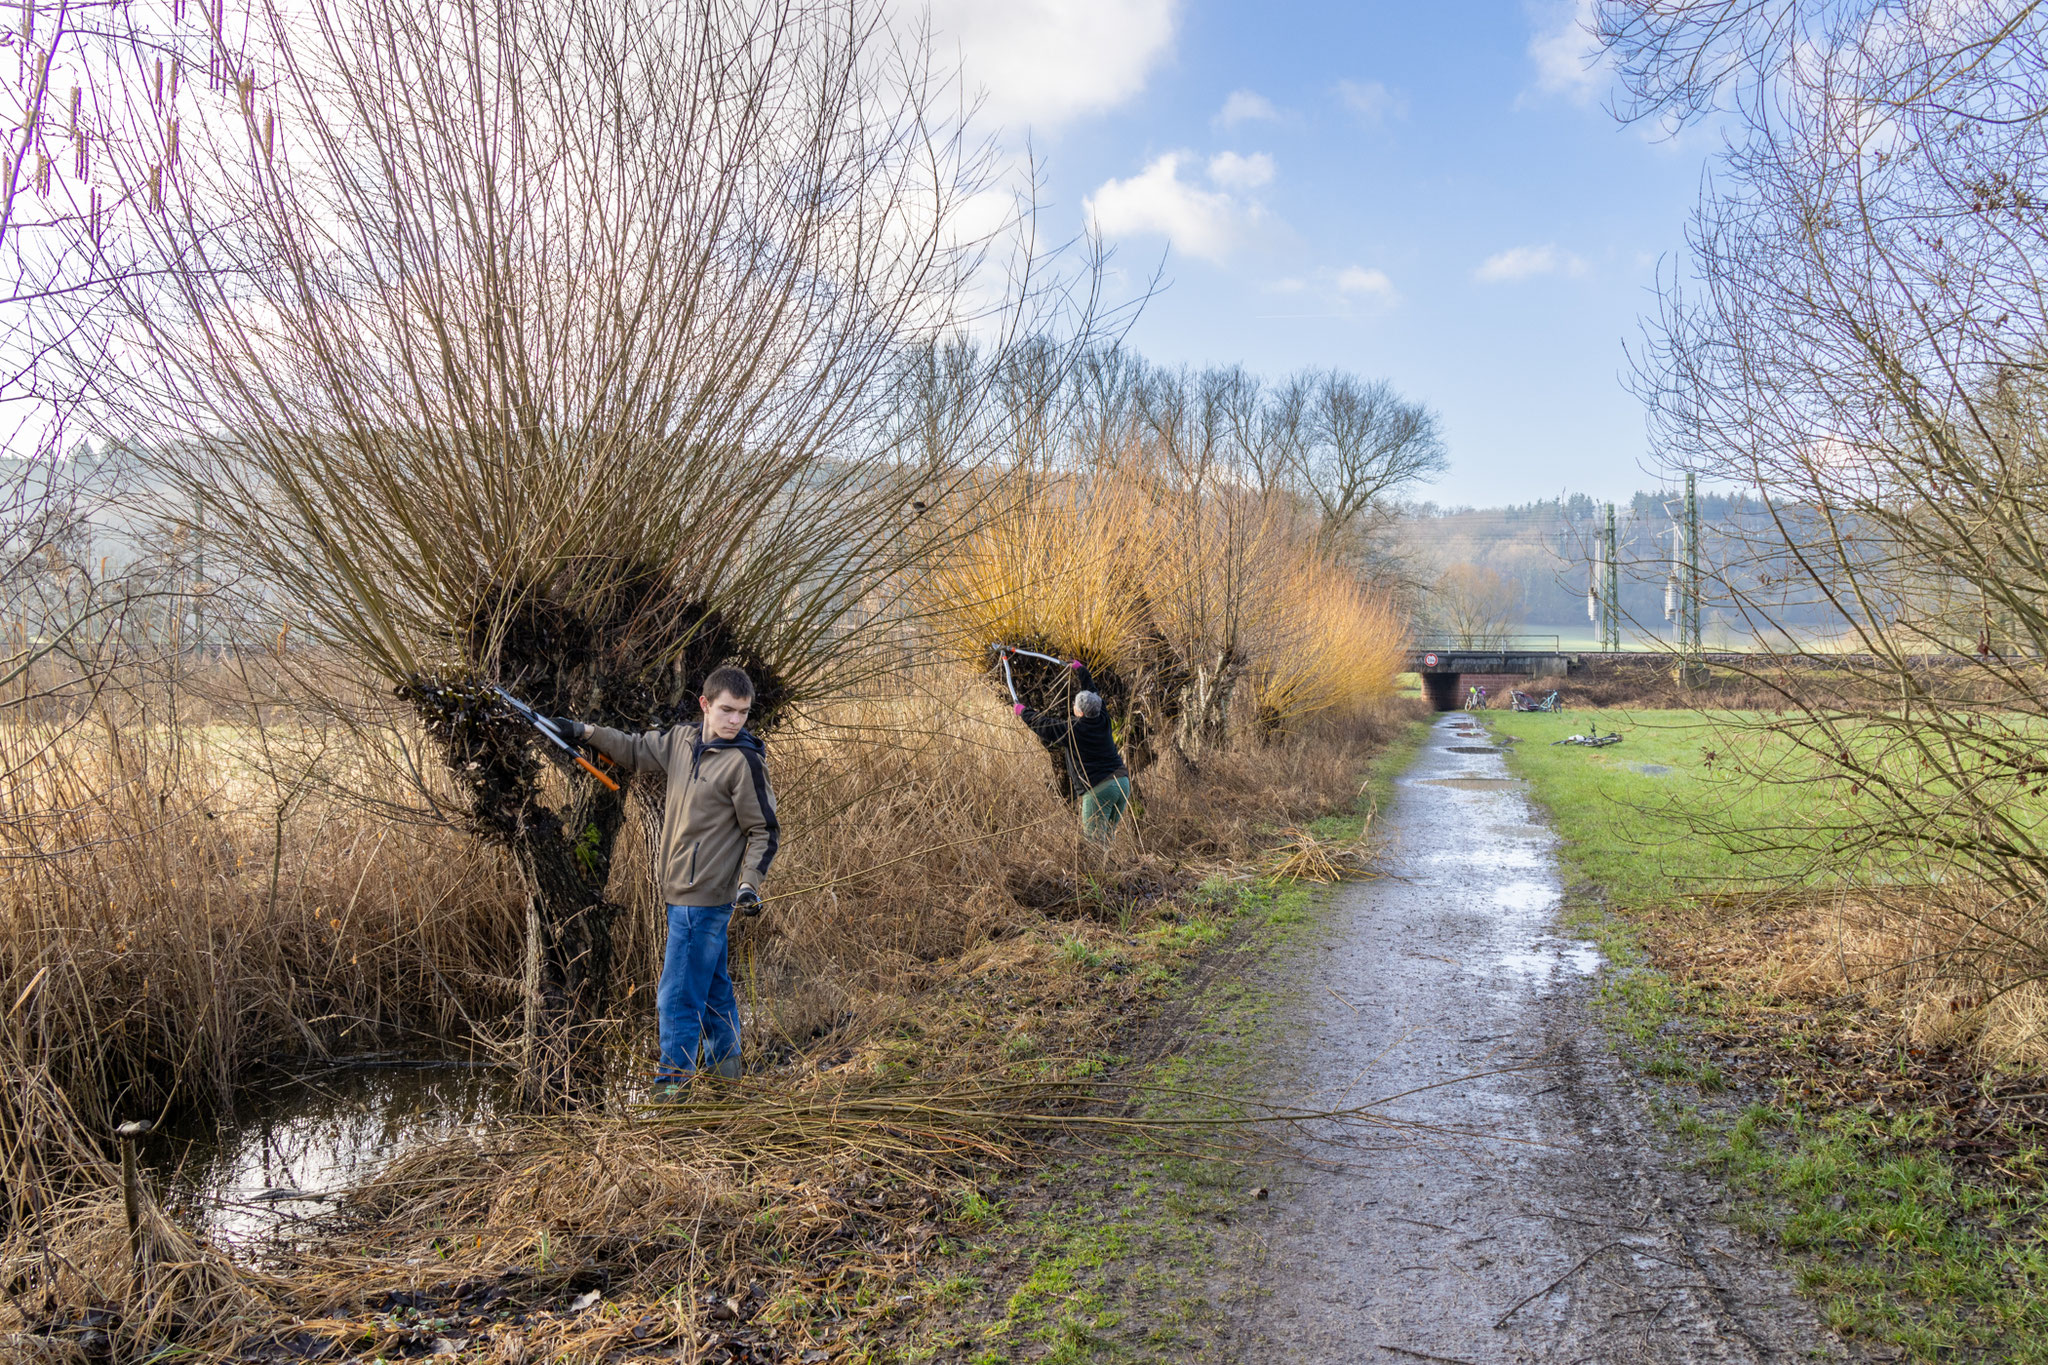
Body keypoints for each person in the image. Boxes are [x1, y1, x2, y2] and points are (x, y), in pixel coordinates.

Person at [549, 665, 777, 1082]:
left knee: (675, 1000)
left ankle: (671, 1090)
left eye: (743, 713)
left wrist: (748, 885)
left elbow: (764, 830)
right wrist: (584, 731)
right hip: (678, 893)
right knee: (712, 992)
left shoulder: (744, 763)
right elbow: (634, 749)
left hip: (703, 899)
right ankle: (728, 1078)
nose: (735, 721)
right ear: (705, 705)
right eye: (727, 710)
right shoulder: (682, 741)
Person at [1011, 658, 1132, 842]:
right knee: (1107, 837)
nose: (1073, 707)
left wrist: (1023, 712)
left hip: (1100, 789)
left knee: (1095, 843)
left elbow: (1043, 725)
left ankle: (1100, 871)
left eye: (1075, 705)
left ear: (1080, 712)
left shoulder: (1073, 730)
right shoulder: (1103, 716)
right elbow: (1092, 691)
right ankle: (1115, 869)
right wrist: (1081, 670)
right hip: (1122, 783)